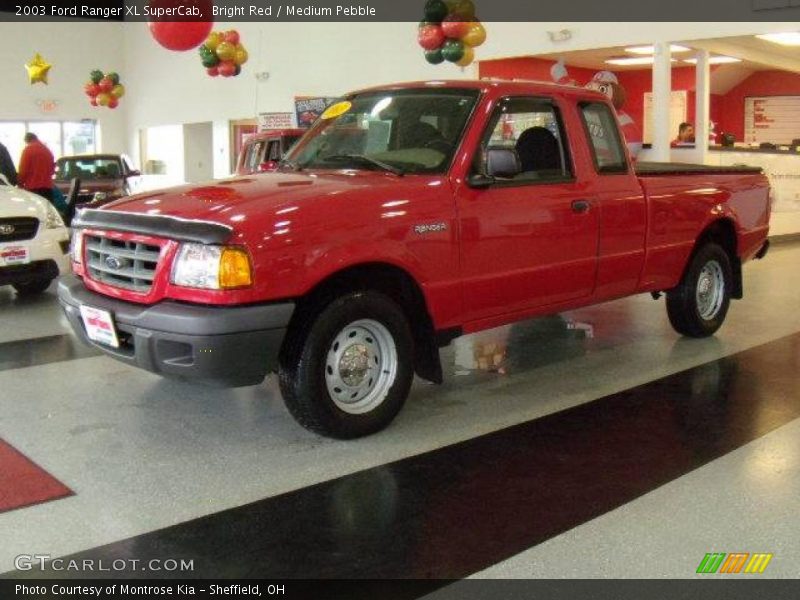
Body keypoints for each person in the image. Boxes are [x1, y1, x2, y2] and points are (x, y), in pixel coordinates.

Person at [18, 132, 55, 202]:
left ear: (27, 140)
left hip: (33, 190)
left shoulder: (28, 150)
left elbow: (23, 170)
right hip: (48, 189)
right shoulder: (47, 150)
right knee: (47, 212)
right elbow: (52, 171)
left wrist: (20, 184)